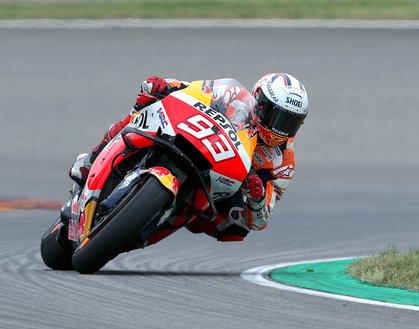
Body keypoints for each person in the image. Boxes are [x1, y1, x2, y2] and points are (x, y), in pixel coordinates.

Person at [69, 73, 308, 242]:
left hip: (222, 182)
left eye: (290, 122)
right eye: (278, 117)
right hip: (192, 138)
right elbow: (190, 89)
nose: (281, 128)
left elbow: (261, 219)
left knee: (236, 227)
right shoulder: (233, 95)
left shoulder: (283, 162)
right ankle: (94, 157)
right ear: (260, 103)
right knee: (144, 105)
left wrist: (256, 198)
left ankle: (159, 220)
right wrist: (163, 86)